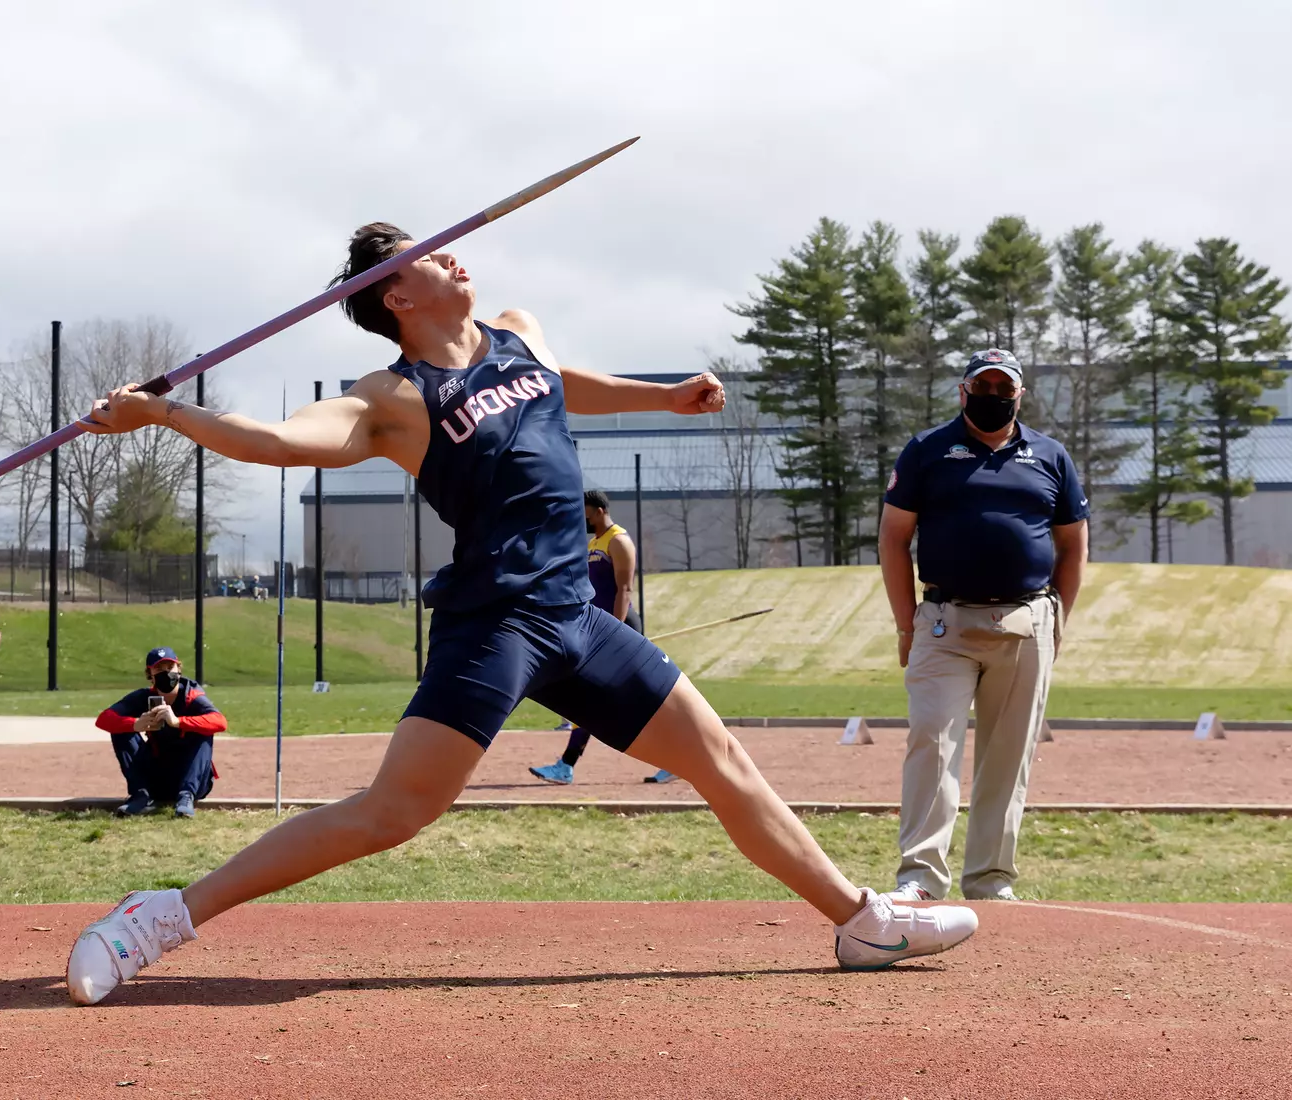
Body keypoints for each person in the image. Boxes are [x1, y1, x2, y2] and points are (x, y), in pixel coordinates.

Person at [64, 222, 978, 1006]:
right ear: (395, 299)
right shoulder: (392, 401)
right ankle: (164, 915)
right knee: (394, 812)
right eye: (432, 257)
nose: (457, 260)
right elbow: (274, 442)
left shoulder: (518, 336)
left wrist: (661, 397)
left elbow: (561, 384)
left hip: (576, 616)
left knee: (721, 758)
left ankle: (863, 922)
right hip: (494, 624)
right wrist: (165, 415)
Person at [878, 349, 1089, 903]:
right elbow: (893, 537)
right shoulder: (927, 451)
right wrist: (907, 624)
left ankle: (990, 879)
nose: (992, 396)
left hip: (1027, 621)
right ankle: (920, 878)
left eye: (1004, 388)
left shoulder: (1051, 455)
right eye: (983, 385)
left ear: (1020, 394)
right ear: (963, 390)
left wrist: (1056, 620)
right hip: (945, 623)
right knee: (932, 742)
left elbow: (1073, 543)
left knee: (1008, 754)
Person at [528, 489, 652, 784]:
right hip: (599, 629)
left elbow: (624, 589)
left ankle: (566, 765)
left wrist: (616, 631)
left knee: (604, 699)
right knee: (615, 700)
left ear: (597, 510)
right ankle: (566, 766)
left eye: (583, 511)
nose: (580, 518)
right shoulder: (594, 543)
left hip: (619, 628)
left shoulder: (619, 541)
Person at [94, 646, 226, 818]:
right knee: (120, 729)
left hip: (192, 779)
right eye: (158, 669)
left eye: (169, 668)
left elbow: (220, 721)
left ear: (178, 669)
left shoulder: (192, 697)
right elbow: (104, 719)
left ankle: (186, 797)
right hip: (157, 777)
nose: (165, 673)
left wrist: (178, 722)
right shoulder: (143, 697)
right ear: (150, 674)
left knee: (205, 730)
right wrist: (135, 724)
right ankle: (140, 795)